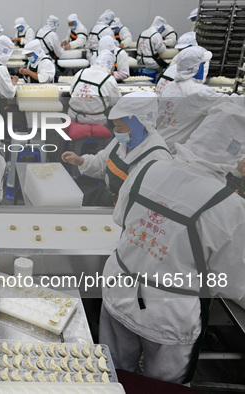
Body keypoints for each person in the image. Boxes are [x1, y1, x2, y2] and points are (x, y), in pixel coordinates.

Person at [99, 102, 245, 384]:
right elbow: (232, 284)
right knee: (164, 388)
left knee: (113, 374)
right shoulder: (231, 208)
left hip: (120, 291)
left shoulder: (148, 168)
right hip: (171, 315)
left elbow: (121, 218)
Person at [62, 92, 172, 206]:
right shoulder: (124, 140)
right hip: (109, 197)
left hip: (128, 210)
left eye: (119, 127)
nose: (116, 131)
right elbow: (102, 163)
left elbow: (153, 201)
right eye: (114, 126)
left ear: (137, 125)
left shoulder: (157, 156)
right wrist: (80, 161)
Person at [158, 46, 237, 154]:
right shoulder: (199, 92)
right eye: (203, 64)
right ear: (196, 67)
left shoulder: (169, 86)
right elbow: (233, 103)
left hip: (159, 145)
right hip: (176, 153)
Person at [68, 51, 121, 125]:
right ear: (111, 66)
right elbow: (116, 102)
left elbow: (71, 92)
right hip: (95, 120)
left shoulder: (80, 72)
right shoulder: (109, 79)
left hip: (73, 116)